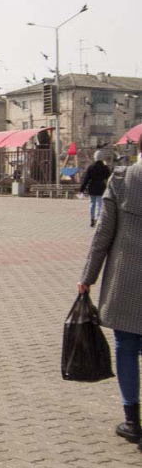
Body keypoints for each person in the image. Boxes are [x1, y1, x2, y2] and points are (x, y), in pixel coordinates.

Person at [78, 136, 142, 451]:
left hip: (125, 282)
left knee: (127, 348)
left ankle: (132, 421)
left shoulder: (123, 178)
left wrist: (87, 278)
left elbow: (102, 234)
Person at [80, 150, 111, 227]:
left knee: (92, 204)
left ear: (95, 157)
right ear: (102, 157)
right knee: (99, 204)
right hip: (101, 187)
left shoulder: (91, 167)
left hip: (92, 187)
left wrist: (82, 188)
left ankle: (92, 219)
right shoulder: (105, 168)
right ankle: (98, 218)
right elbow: (109, 177)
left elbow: (86, 179)